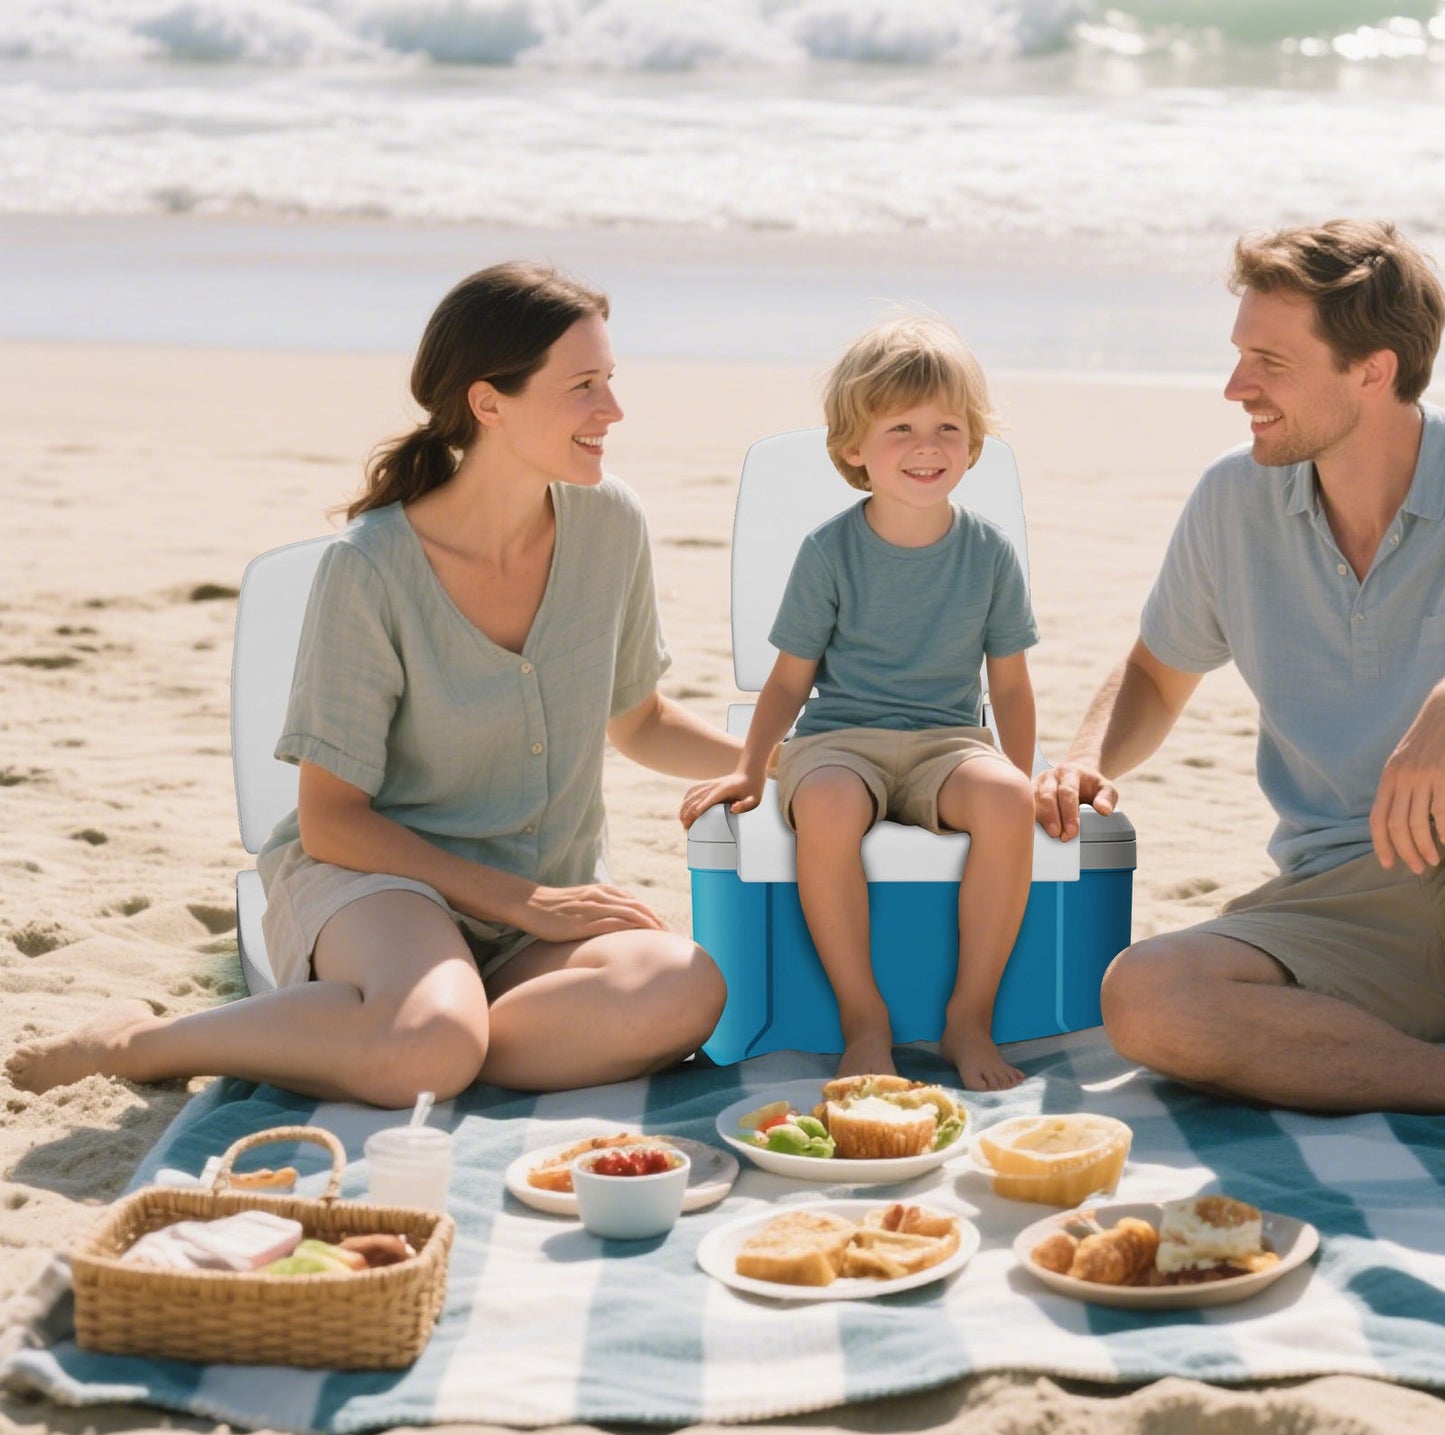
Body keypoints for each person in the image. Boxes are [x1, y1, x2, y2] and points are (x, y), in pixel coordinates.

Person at [7, 262, 742, 1107]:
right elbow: (331, 820)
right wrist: (523, 901)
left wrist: (776, 760)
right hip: (380, 886)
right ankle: (142, 1041)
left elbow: (638, 718)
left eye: (610, 380)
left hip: (534, 898)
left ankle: (424, 1031)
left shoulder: (612, 524)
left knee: (685, 987)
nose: (612, 410)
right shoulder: (371, 568)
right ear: (489, 401)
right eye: (583, 386)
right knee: (434, 1037)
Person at [1034, 219, 1445, 1114]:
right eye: (1237, 355)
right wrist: (1082, 756)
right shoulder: (1233, 497)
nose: (1234, 387)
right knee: (1145, 998)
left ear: (1372, 370)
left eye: (1270, 362)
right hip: (1347, 895)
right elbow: (1154, 670)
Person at [680, 317, 1039, 1090]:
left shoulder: (989, 552)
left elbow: (1008, 684)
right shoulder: (828, 550)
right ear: (853, 447)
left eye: (948, 427)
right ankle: (862, 1017)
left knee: (1008, 801)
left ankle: (967, 1017)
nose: (927, 445)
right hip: (840, 740)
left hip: (950, 742)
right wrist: (750, 768)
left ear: (972, 444)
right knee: (832, 807)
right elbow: (785, 681)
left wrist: (1022, 773)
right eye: (900, 427)